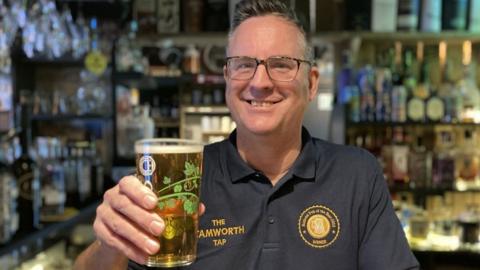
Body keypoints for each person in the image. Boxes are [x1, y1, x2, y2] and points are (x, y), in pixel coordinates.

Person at [74, 0, 420, 269]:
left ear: (311, 83)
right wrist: (111, 244)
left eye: (281, 64)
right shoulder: (182, 178)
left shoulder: (356, 173)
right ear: (227, 79)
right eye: (243, 64)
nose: (259, 82)